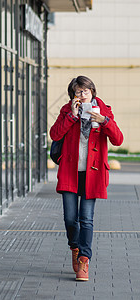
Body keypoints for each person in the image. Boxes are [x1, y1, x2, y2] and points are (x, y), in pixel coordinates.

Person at [50, 76, 123, 281]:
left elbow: (118, 139)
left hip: (93, 172)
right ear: (73, 95)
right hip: (69, 172)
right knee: (70, 219)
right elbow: (55, 135)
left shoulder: (103, 111)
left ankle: (84, 259)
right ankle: (74, 247)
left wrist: (105, 122)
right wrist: (72, 116)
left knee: (86, 219)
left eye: (85, 91)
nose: (82, 95)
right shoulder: (67, 110)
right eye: (78, 92)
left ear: (92, 92)